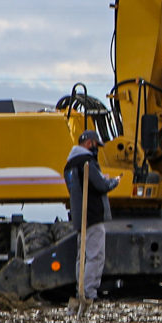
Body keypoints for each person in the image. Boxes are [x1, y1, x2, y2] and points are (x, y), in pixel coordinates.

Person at [63, 129, 120, 307]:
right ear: (90, 143)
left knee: (83, 257)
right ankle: (89, 294)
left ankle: (81, 291)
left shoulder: (69, 165)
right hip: (93, 215)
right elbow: (100, 185)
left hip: (80, 216)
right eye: (96, 145)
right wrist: (114, 181)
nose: (97, 149)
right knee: (95, 256)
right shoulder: (87, 162)